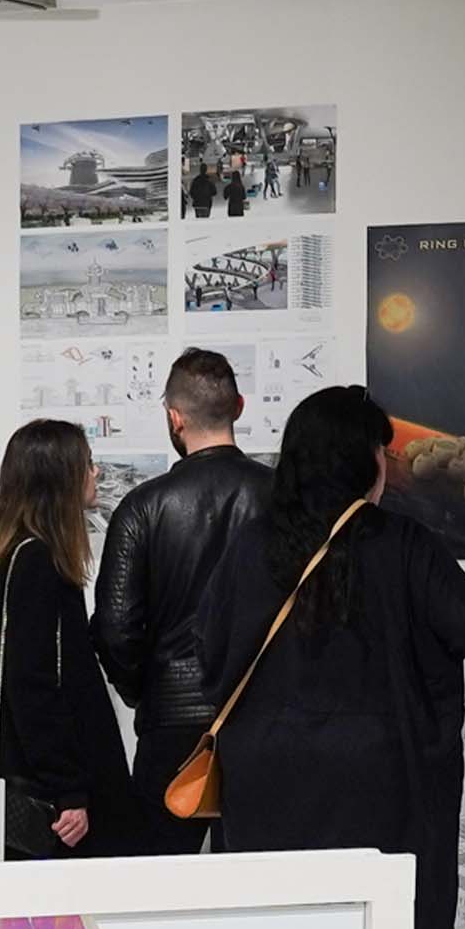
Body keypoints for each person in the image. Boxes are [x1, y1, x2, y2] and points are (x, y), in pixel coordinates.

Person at [194, 383, 465, 929]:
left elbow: (208, 651)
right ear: (363, 461)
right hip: (376, 788)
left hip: (264, 780)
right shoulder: (404, 545)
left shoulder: (251, 543)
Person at [88, 348, 270, 843]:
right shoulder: (283, 500)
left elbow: (115, 625)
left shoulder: (142, 507)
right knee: (264, 886)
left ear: (174, 417)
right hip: (264, 716)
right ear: (240, 407)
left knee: (159, 886)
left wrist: (143, 688)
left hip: (171, 721)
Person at [0, 419, 132, 861]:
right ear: (59, 477)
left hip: (25, 780)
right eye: (88, 464)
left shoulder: (11, 554)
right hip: (50, 795)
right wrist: (70, 789)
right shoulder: (38, 560)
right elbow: (35, 685)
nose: (95, 473)